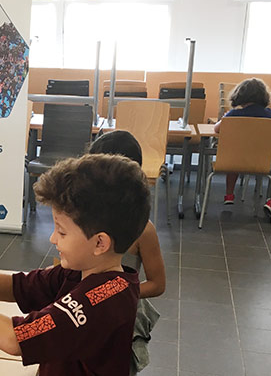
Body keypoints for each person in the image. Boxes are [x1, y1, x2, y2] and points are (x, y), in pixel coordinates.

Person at [0, 154, 150, 375]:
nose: (52, 238)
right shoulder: (79, 272)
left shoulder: (99, 302)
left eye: (62, 232)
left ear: (100, 243)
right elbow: (20, 286)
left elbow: (15, 339)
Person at [88, 130, 166, 374]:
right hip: (83, 310)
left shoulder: (143, 230)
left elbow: (157, 284)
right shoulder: (84, 218)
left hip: (120, 317)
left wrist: (117, 293)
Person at [214, 77, 271, 218]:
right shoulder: (269, 114)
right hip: (262, 162)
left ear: (239, 95)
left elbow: (217, 129)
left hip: (234, 161)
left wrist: (225, 117)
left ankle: (229, 195)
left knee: (236, 157)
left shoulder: (233, 114)